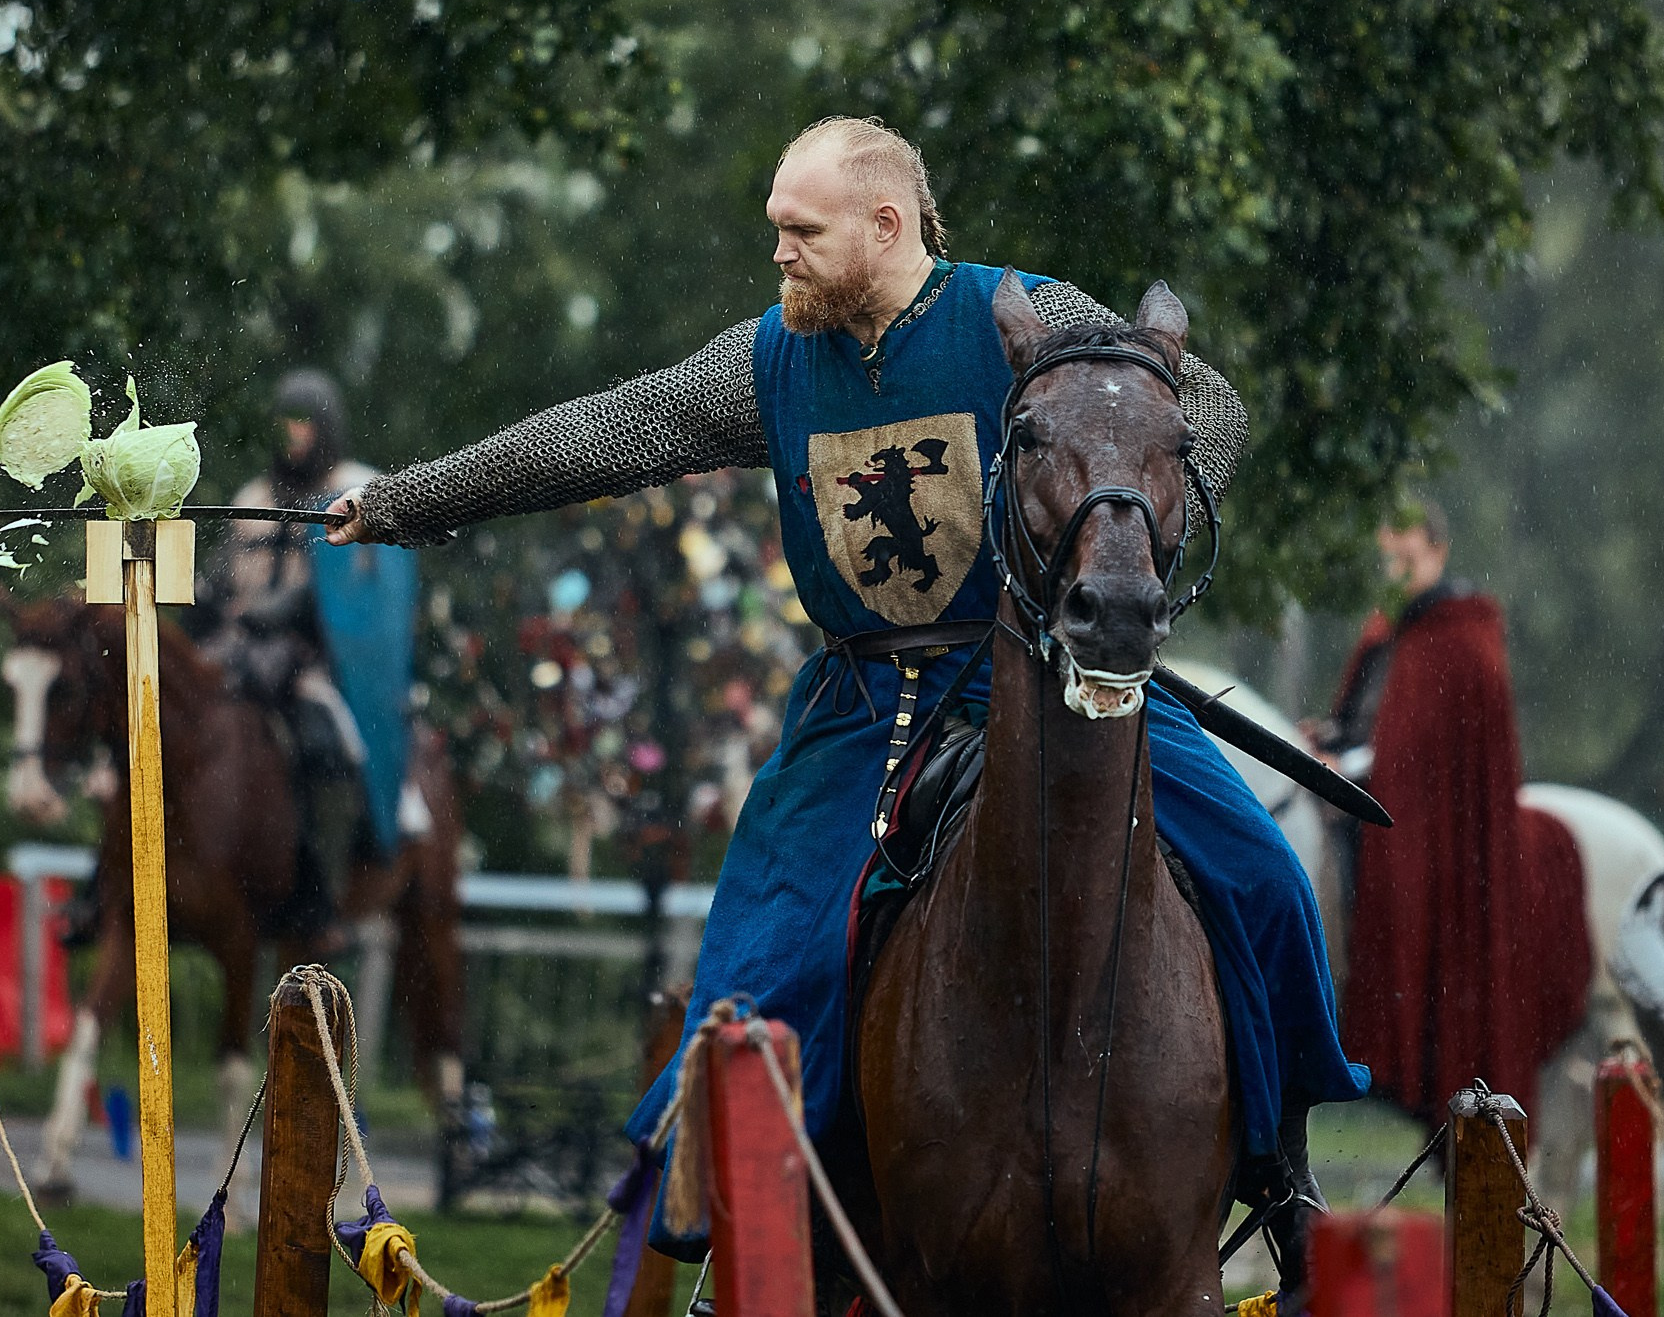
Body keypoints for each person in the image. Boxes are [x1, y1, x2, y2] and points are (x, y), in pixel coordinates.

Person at [327, 115, 1367, 1251]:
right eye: (776, 229)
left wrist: (1124, 550)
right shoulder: (770, 356)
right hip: (860, 713)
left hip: (1039, 677)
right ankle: (746, 1231)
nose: (778, 252)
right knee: (763, 949)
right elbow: (605, 432)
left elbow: (1203, 400)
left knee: (1265, 876)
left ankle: (1280, 1167)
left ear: (888, 222)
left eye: (799, 230)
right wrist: (406, 502)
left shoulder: (1019, 312)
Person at [1317, 503, 1589, 1127]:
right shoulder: (1389, 632)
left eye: (1406, 558)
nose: (1396, 571)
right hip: (1362, 798)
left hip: (1424, 829)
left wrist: (1353, 767)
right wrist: (1328, 746)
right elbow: (1364, 721)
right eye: (1387, 559)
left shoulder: (1462, 639)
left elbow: (1418, 759)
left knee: (1402, 897)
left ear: (1439, 551)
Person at [214, 369, 384, 939]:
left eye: (304, 425)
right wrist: (208, 592)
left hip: (316, 660)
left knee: (327, 745)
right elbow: (224, 578)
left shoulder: (359, 489)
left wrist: (288, 611)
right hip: (237, 651)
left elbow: (355, 589)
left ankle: (323, 896)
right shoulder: (252, 497)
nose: (293, 436)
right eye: (285, 425)